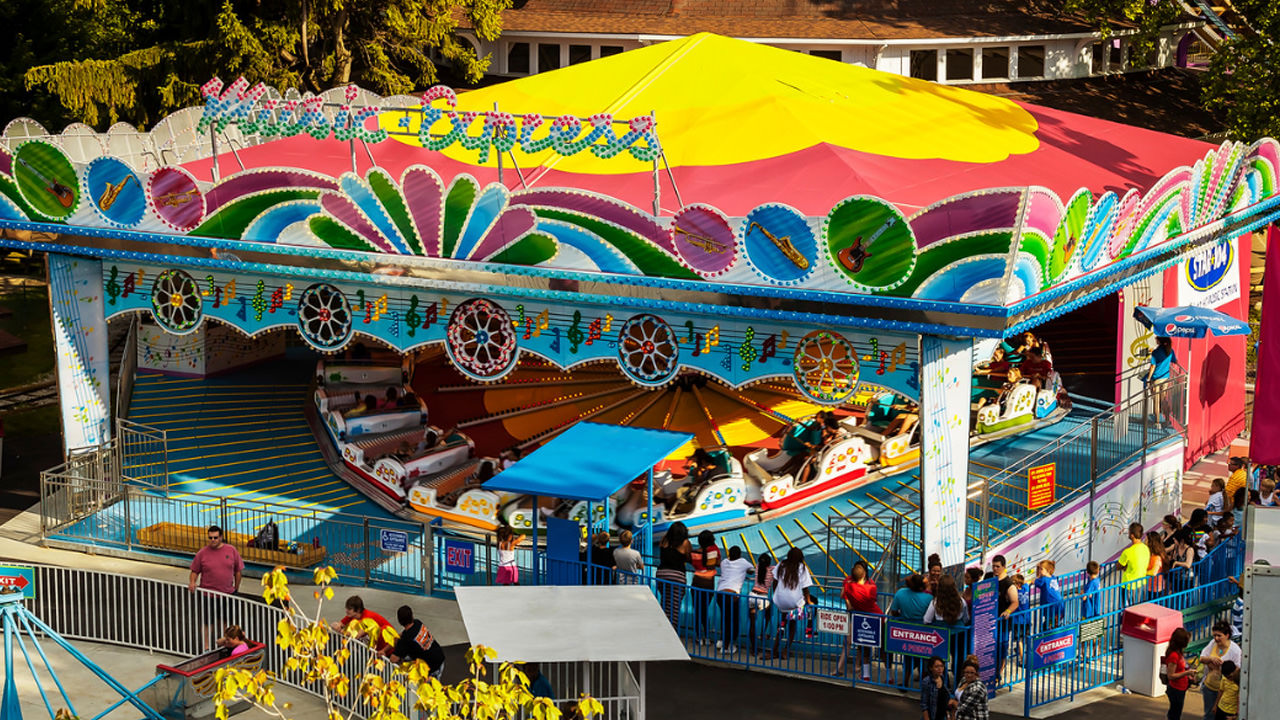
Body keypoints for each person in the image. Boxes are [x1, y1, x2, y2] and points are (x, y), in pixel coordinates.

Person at [835, 560, 881, 679]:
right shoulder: (852, 581)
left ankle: (857, 665)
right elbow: (844, 595)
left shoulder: (867, 583)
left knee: (861, 642)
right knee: (848, 641)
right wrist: (850, 603)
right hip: (853, 614)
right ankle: (839, 668)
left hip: (861, 614)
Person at [770, 548, 816, 662]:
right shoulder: (802, 567)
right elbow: (806, 589)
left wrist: (776, 594)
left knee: (781, 624)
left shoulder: (781, 564)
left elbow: (774, 582)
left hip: (780, 601)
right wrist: (809, 601)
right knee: (792, 625)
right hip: (795, 604)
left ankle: (774, 649)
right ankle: (786, 649)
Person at [386, 606, 446, 680]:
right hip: (439, 657)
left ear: (399, 621)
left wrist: (387, 651)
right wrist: (385, 648)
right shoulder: (418, 623)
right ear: (412, 616)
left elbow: (393, 659)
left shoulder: (406, 639)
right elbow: (400, 635)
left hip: (430, 669)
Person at [1199, 621, 1241, 720]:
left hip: (1224, 692)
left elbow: (1237, 671)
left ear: (1227, 635)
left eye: (1219, 635)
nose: (1216, 638)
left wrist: (1220, 668)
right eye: (1214, 635)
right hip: (1209, 686)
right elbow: (1202, 658)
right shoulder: (1213, 643)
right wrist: (1210, 659)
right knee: (1209, 714)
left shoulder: (1235, 651)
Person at [715, 546, 754, 654]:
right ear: (739, 555)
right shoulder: (743, 562)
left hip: (720, 593)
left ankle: (722, 641)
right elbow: (751, 570)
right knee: (732, 621)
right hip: (732, 595)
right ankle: (727, 647)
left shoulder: (724, 562)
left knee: (725, 617)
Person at [189, 525, 243, 595]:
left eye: (215, 537)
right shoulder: (202, 553)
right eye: (210, 538)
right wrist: (192, 582)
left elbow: (238, 571)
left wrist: (236, 589)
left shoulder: (232, 550)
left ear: (221, 537)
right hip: (207, 594)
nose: (213, 540)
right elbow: (194, 571)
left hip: (227, 594)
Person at [656, 522, 691, 628]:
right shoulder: (685, 543)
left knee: (665, 601)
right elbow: (689, 557)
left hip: (661, 574)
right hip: (677, 575)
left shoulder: (664, 540)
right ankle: (672, 631)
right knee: (674, 606)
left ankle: (662, 627)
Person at [690, 530, 721, 645]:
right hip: (708, 584)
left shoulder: (694, 553)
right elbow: (713, 564)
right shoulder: (714, 550)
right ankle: (707, 637)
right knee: (704, 610)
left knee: (697, 611)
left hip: (696, 583)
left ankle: (699, 637)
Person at [991, 555, 1017, 684]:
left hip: (1002, 624)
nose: (995, 569)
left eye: (998, 567)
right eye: (993, 566)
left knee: (1001, 648)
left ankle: (998, 674)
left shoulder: (1009, 584)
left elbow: (1015, 602)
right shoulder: (989, 578)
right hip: (989, 621)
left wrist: (1007, 611)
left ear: (1004, 567)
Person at [747, 553, 775, 658]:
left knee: (752, 624)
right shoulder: (772, 570)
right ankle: (764, 632)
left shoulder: (758, 568)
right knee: (769, 611)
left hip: (752, 595)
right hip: (762, 597)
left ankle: (753, 649)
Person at [1164, 628, 1195, 720]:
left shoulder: (1178, 653)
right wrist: (1187, 673)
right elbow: (1171, 675)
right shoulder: (1174, 656)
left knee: (1175, 712)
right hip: (1176, 689)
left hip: (1181, 687)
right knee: (1175, 713)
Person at [1118, 522, 1152, 604]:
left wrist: (1124, 566)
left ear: (1132, 535)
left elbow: (1118, 566)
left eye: (1129, 532)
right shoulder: (1146, 548)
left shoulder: (1127, 552)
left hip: (1129, 585)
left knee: (1127, 609)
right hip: (1142, 583)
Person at [920, 655, 953, 720]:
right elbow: (924, 704)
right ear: (930, 668)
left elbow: (945, 699)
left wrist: (948, 715)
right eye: (936, 667)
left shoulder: (942, 677)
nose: (940, 669)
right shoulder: (926, 682)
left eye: (941, 666)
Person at [1034, 560, 1065, 627]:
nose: (1039, 571)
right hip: (1059, 604)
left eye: (1041, 569)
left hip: (1051, 606)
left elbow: (1036, 581)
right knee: (1055, 623)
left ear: (1047, 570)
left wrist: (1035, 579)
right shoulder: (1053, 577)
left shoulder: (1044, 579)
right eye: (1039, 569)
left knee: (1049, 625)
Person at [1146, 531, 1168, 597]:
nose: (1145, 541)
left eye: (1146, 540)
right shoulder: (1151, 555)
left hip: (1157, 588)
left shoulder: (1157, 557)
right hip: (1151, 586)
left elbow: (1154, 572)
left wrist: (1143, 572)